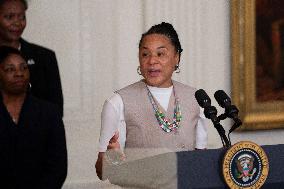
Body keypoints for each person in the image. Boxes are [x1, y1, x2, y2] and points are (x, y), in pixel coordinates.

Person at [95, 22, 208, 180]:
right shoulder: (117, 102)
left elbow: (200, 161)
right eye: (145, 54)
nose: (152, 61)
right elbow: (102, 173)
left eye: (160, 54)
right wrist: (111, 158)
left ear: (177, 57)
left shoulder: (196, 98)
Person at [0, 46, 67, 189]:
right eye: (10, 69)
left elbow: (57, 167)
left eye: (24, 68)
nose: (19, 73)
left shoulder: (48, 113)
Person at [0, 0, 64, 117]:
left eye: (21, 17)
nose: (17, 23)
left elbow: (56, 110)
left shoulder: (44, 57)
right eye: (9, 17)